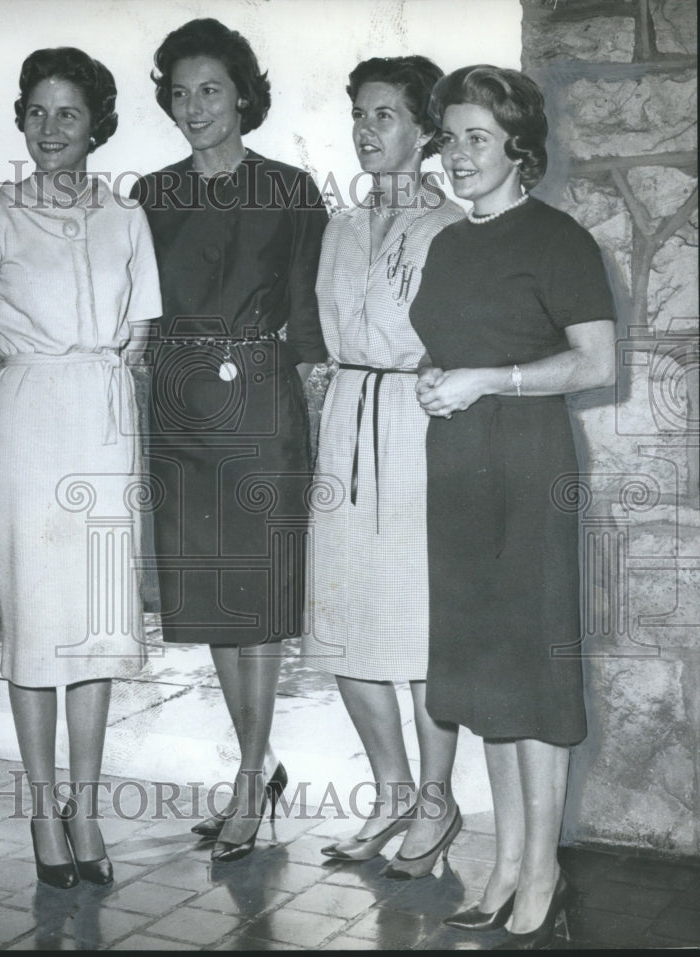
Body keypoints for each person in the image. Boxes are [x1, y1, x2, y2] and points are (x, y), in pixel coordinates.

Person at [410, 65, 615, 948]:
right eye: (450, 137)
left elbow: (597, 365)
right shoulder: (449, 243)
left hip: (529, 466)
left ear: (519, 148)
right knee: (485, 671)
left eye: (478, 138)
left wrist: (490, 378)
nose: (459, 155)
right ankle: (503, 862)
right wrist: (438, 379)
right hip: (456, 465)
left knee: (531, 670)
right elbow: (454, 343)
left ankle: (543, 872)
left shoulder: (560, 239)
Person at [132, 18, 327, 863]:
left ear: (243, 94)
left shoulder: (291, 190)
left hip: (261, 404)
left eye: (210, 89)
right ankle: (257, 765)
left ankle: (251, 774)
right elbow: (134, 307)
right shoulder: (151, 195)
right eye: (179, 93)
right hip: (180, 411)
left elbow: (311, 316)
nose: (194, 107)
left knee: (261, 599)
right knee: (214, 597)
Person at [0, 47, 161, 890]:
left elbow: (140, 340)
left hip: (104, 425)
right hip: (26, 423)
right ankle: (42, 807)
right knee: (39, 624)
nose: (50, 129)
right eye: (37, 112)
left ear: (96, 126)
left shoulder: (127, 218)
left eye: (68, 114)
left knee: (96, 629)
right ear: (21, 119)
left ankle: (86, 806)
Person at [301, 56, 464, 878]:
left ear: (426, 131)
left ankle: (437, 803)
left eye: (386, 116)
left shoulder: (450, 226)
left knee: (418, 627)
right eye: (360, 115)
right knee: (343, 621)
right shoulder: (338, 225)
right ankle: (392, 790)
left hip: (414, 424)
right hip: (345, 421)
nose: (368, 131)